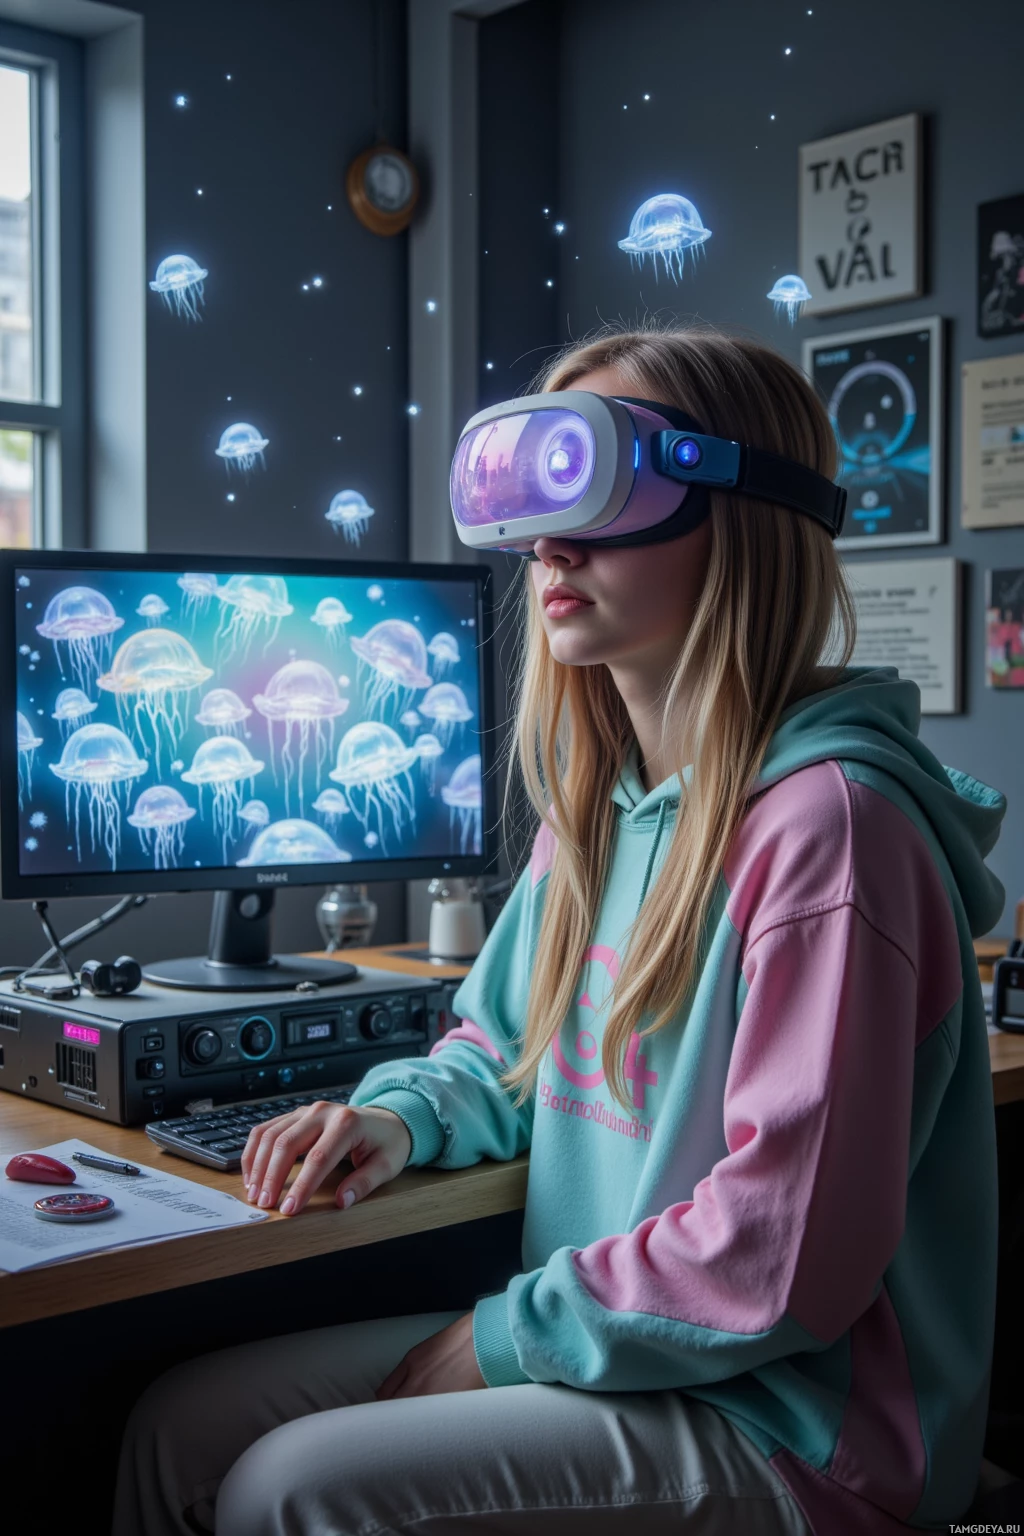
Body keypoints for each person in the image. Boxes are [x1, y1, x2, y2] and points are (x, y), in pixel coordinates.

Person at [113, 325, 1007, 1536]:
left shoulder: (830, 836)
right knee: (182, 1426)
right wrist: (397, 1115)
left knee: (288, 1487)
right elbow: (499, 1050)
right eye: (529, 502)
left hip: (797, 1422)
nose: (548, 544)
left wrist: (494, 1345)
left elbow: (777, 1258)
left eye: (599, 486)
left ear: (740, 511)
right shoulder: (590, 820)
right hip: (625, 1346)